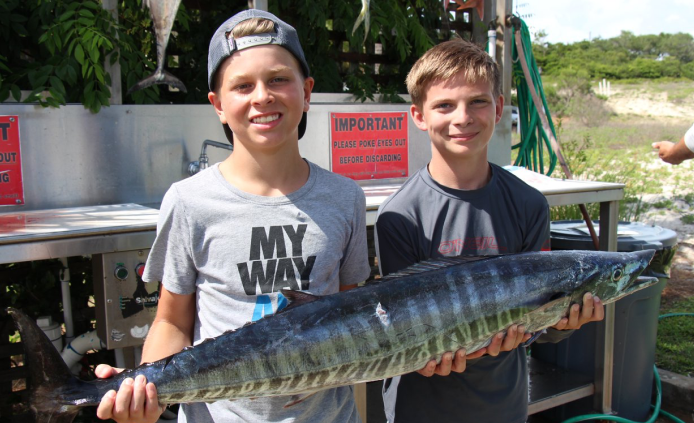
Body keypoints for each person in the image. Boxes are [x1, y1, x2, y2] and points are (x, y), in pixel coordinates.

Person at [94, 9, 373, 423]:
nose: (262, 96)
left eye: (278, 78)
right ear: (219, 105)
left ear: (307, 91)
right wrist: (146, 392)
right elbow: (172, 320)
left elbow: (354, 318)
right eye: (243, 86)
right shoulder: (189, 202)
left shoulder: (345, 197)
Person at [374, 38, 605, 423]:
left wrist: (563, 323)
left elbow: (537, 320)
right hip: (420, 408)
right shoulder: (399, 215)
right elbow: (400, 333)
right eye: (444, 105)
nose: (462, 117)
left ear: (498, 108)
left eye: (478, 101)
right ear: (418, 115)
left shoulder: (529, 205)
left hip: (505, 405)